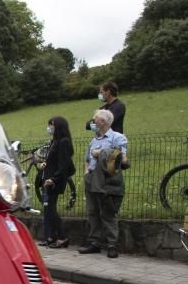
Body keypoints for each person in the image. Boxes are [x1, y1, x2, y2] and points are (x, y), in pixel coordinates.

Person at [79, 108, 129, 258]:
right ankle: (95, 243)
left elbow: (121, 158)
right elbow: (87, 159)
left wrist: (100, 153)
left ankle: (112, 245)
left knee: (108, 212)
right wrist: (87, 172)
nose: (93, 122)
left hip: (107, 180)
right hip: (92, 178)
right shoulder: (94, 140)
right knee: (93, 211)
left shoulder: (117, 138)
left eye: (95, 119)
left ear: (104, 121)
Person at [39, 117, 76, 248]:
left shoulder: (63, 142)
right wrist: (46, 163)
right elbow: (54, 161)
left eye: (52, 125)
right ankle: (51, 236)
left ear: (59, 127)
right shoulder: (54, 141)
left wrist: (53, 179)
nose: (49, 128)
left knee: (51, 210)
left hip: (54, 181)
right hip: (48, 179)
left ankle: (62, 237)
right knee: (48, 209)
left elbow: (63, 164)